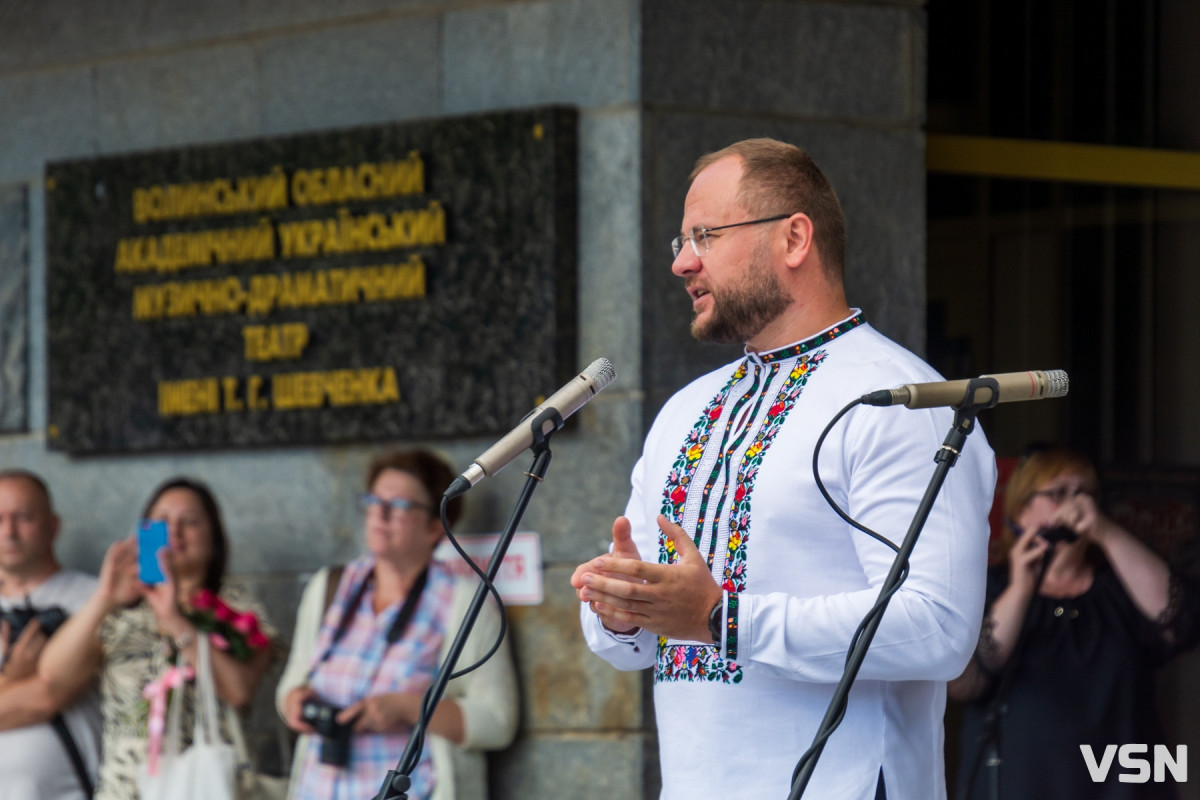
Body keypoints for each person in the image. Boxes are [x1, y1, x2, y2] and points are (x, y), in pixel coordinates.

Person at [571, 137, 997, 800]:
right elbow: (632, 646)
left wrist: (721, 618)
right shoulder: (688, 411)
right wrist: (623, 610)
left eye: (704, 235)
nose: (683, 262)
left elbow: (936, 628)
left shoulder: (900, 401)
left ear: (794, 238)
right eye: (679, 241)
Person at [949, 445, 1200, 800]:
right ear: (1021, 509)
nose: (1075, 505)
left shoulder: (1120, 586)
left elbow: (1180, 619)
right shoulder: (989, 588)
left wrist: (1106, 532)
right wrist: (1022, 587)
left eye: (1086, 494)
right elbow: (966, 678)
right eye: (1058, 494)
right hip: (1020, 783)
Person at [277, 447, 518, 800]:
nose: (380, 514)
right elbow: (291, 685)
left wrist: (408, 709)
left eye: (400, 505)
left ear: (437, 525)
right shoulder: (329, 587)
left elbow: (498, 722)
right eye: (374, 501)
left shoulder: (464, 601)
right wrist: (295, 703)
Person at [39, 476, 275, 800]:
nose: (175, 532)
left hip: (209, 787)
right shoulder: (120, 609)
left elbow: (238, 691)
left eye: (190, 522)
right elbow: (53, 675)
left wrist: (175, 620)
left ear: (213, 536)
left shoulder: (239, 608)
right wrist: (105, 597)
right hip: (126, 789)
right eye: (162, 522)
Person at [0, 469, 101, 800]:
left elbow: (49, 695)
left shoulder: (93, 598)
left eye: (23, 517)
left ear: (53, 525)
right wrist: (13, 676)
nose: (9, 532)